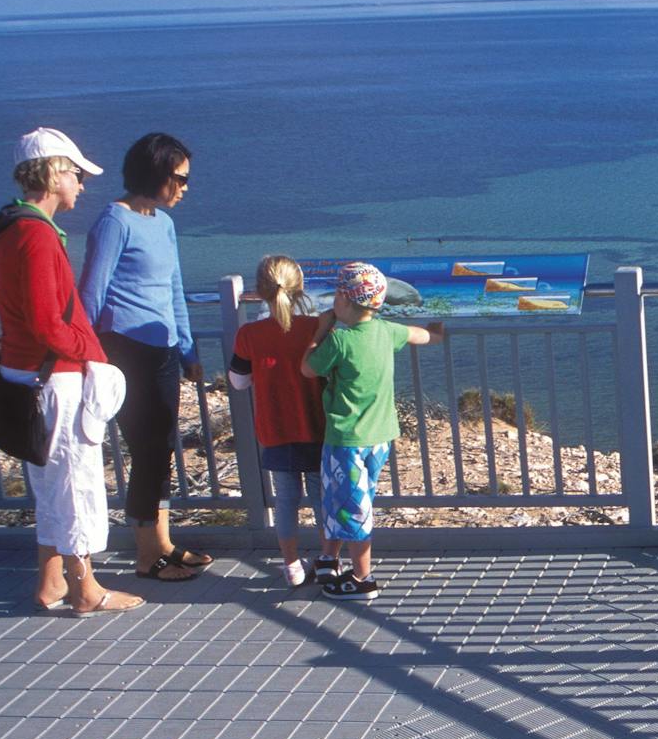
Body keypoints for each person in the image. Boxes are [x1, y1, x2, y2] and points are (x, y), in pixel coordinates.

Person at [0, 128, 141, 615]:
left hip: (26, 373)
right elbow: (44, 321)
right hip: (53, 377)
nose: (81, 183)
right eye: (76, 174)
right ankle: (85, 590)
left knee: (51, 486)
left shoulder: (10, 228)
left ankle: (50, 582)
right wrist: (91, 350)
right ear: (54, 174)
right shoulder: (35, 235)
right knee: (75, 485)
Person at [78, 131, 209, 582]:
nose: (185, 187)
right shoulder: (114, 221)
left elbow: (174, 290)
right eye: (179, 178)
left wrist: (189, 348)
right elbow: (90, 295)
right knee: (147, 449)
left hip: (163, 348)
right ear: (154, 173)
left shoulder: (162, 223)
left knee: (162, 447)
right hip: (126, 350)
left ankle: (164, 544)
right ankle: (145, 556)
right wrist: (86, 357)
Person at [301, 261, 443, 602]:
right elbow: (420, 335)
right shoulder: (386, 331)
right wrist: (438, 331)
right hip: (380, 438)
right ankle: (329, 559)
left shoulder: (339, 341)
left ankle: (363, 579)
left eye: (336, 295)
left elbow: (307, 368)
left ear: (346, 302)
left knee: (352, 508)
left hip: (346, 440)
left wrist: (317, 333)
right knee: (350, 500)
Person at [228, 256, 325, 586]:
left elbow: (239, 381)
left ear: (259, 291)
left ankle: (292, 567)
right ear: (299, 288)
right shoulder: (315, 328)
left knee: (285, 501)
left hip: (276, 429)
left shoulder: (249, 334)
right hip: (317, 427)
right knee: (322, 498)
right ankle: (330, 560)